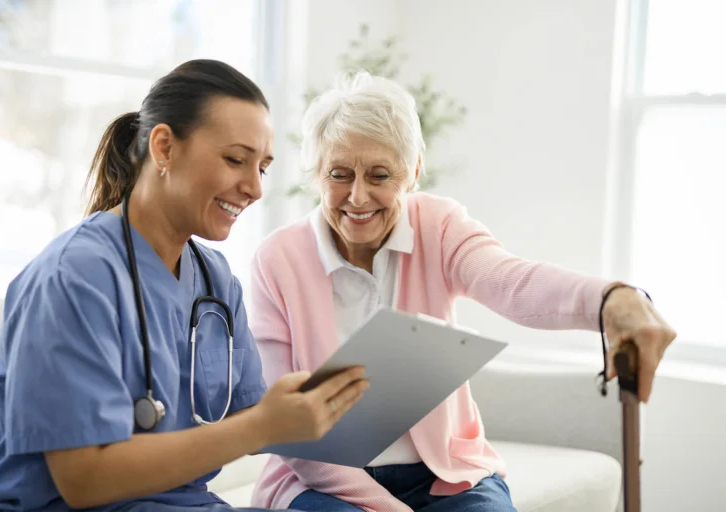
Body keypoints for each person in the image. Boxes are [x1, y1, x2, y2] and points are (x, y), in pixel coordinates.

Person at [248, 72, 677, 512]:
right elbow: (287, 425)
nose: (358, 197)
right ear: (315, 176)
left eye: (379, 175)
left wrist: (610, 298)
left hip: (443, 474)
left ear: (412, 171)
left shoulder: (439, 226)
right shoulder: (276, 259)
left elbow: (512, 282)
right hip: (320, 482)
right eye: (339, 174)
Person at [0, 59, 369, 512]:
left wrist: (321, 406)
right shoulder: (72, 278)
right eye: (235, 160)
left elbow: (247, 417)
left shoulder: (215, 280)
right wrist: (260, 426)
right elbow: (83, 480)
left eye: (261, 167)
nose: (254, 189)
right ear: (163, 148)